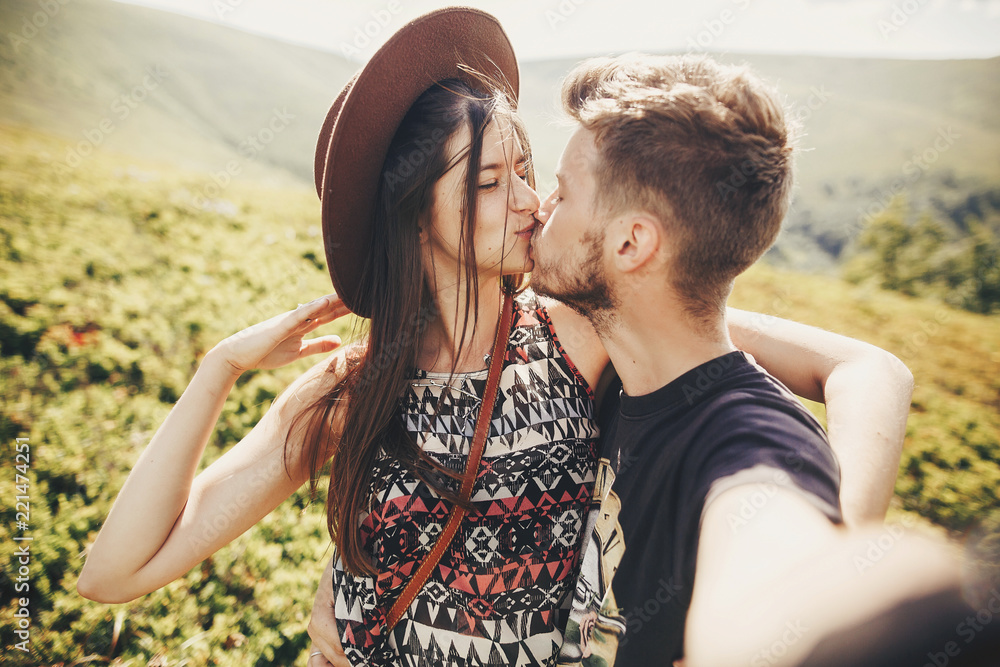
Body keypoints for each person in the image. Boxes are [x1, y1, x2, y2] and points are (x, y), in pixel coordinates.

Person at [78, 10, 912, 667]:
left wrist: (839, 548)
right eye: (489, 180)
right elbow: (115, 573)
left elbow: (852, 371)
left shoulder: (583, 330)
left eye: (526, 170)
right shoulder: (350, 390)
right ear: (414, 214)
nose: (529, 202)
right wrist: (218, 369)